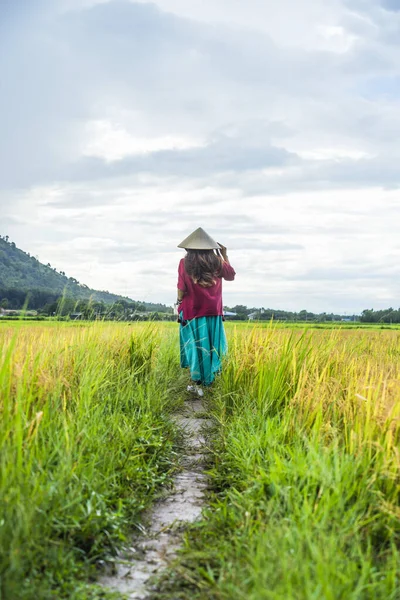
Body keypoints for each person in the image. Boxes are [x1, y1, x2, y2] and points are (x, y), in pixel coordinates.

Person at [176, 227, 236, 397]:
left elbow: (182, 288)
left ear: (189, 248)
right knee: (211, 346)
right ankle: (209, 382)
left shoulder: (184, 263)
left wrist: (179, 302)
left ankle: (197, 383)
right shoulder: (217, 261)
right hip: (213, 311)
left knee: (195, 346)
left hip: (192, 310)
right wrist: (224, 255)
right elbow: (231, 275)